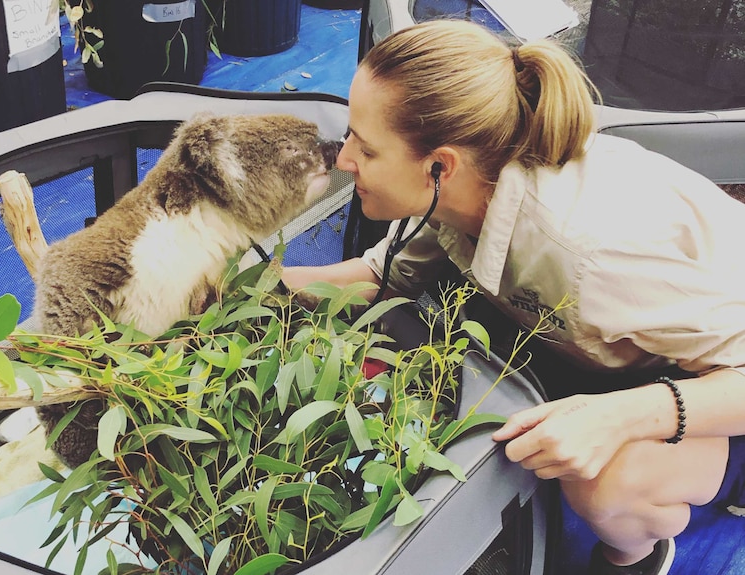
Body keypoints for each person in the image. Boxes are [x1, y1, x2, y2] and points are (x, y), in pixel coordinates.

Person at [281, 18, 745, 575]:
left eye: (367, 147)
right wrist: (242, 288)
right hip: (642, 339)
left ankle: (637, 554)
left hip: (714, 380)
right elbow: (383, 277)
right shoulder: (470, 182)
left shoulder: (588, 256)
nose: (344, 159)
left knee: (606, 487)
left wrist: (619, 418)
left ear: (439, 166)